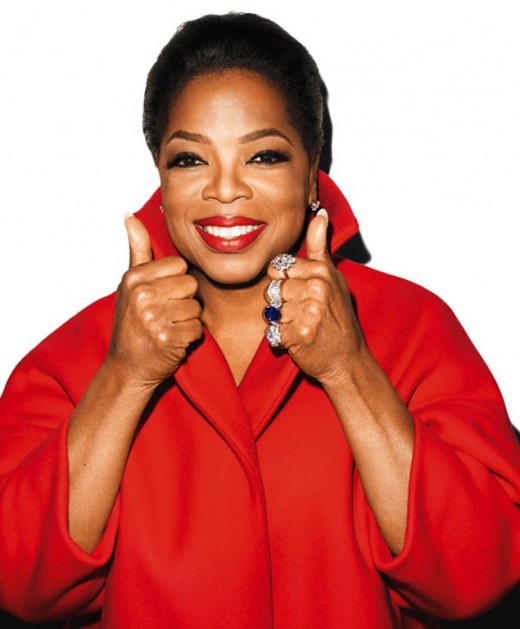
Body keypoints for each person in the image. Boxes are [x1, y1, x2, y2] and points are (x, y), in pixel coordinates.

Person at [0, 12, 519, 629]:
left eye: (264, 156)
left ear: (312, 170)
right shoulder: (75, 357)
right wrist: (124, 377)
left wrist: (349, 370)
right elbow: (19, 586)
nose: (225, 190)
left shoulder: (413, 329)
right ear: (159, 174)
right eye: (190, 160)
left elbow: (477, 576)